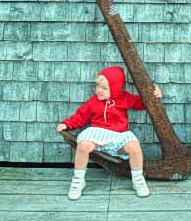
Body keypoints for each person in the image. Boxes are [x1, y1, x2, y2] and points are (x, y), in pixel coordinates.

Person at [56, 65, 163, 200]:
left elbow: (142, 103)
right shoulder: (93, 101)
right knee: (83, 146)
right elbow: (81, 116)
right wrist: (67, 124)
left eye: (104, 88)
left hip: (119, 137)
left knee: (135, 148)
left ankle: (138, 179)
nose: (99, 91)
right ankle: (78, 180)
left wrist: (155, 95)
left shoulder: (124, 98)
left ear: (115, 88)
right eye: (98, 86)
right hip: (97, 135)